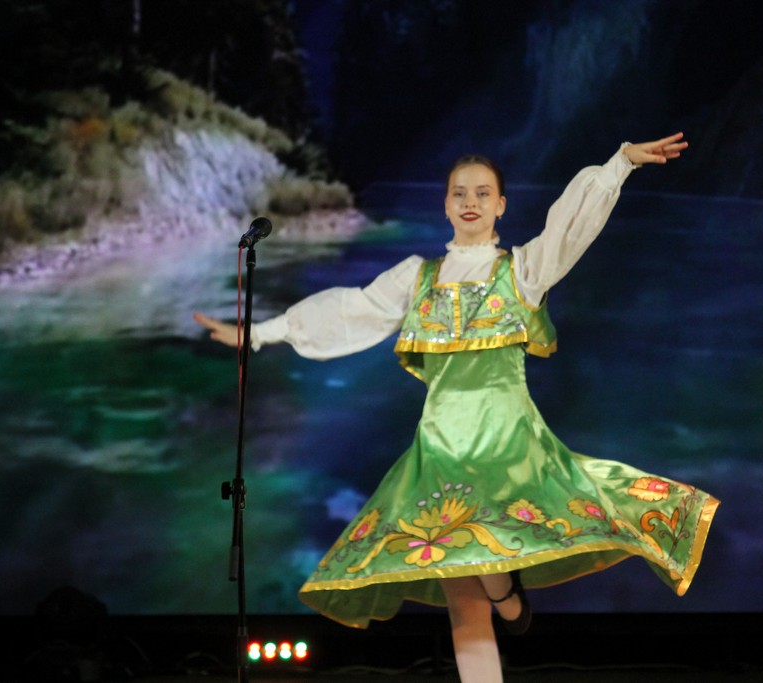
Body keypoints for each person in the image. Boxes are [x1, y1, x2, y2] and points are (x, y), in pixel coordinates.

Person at [194, 133, 719, 683]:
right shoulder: (418, 277)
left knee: (506, 551)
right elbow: (352, 311)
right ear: (445, 205)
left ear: (501, 205)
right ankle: (502, 601)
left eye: (483, 193)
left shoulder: (520, 272)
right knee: (461, 597)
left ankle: (507, 592)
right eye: (459, 193)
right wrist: (258, 333)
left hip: (509, 446)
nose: (471, 201)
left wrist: (619, 164)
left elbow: (569, 227)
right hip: (440, 449)